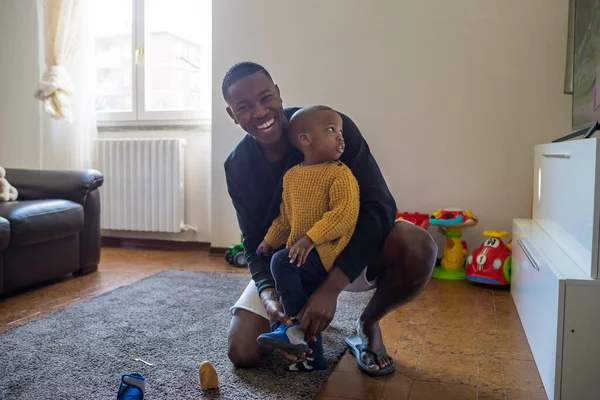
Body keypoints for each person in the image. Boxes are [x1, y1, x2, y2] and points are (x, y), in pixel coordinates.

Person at [223, 61, 437, 376]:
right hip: (289, 263)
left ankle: (367, 323)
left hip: (345, 252)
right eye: (244, 106)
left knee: (418, 245)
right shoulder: (237, 166)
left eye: (266, 97)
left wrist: (331, 288)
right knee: (242, 350)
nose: (259, 112)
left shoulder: (328, 126)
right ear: (232, 115)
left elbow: (379, 206)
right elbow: (254, 240)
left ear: (279, 94)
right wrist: (269, 295)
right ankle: (299, 325)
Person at [254, 105, 360, 372]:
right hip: (300, 252)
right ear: (305, 140)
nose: (340, 137)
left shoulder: (340, 173)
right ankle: (314, 357)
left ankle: (290, 328)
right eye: (331, 130)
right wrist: (269, 239)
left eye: (340, 131)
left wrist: (311, 239)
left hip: (326, 253)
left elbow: (344, 214)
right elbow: (286, 218)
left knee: (281, 263)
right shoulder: (292, 177)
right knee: (289, 277)